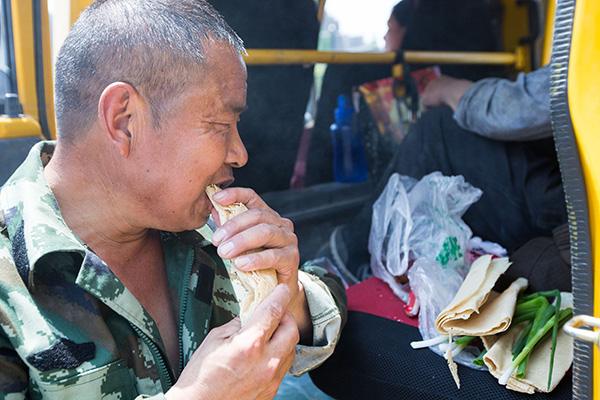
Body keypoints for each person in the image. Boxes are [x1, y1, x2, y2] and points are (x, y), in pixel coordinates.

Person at [0, 1, 346, 399]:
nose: (240, 153)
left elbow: (329, 290)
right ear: (124, 121)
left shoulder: (205, 227)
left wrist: (289, 294)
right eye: (219, 125)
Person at [324, 64, 567, 286]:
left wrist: (449, 89)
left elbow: (520, 107)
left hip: (575, 207)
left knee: (436, 130)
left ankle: (351, 256)